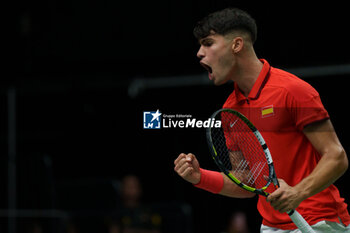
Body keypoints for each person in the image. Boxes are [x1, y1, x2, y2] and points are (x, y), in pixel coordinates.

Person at [174, 8, 350, 233]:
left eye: (208, 43)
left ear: (236, 45)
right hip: (271, 226)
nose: (199, 53)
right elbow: (248, 182)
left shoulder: (292, 90)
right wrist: (200, 177)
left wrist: (298, 193)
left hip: (318, 221)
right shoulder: (230, 110)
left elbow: (336, 156)